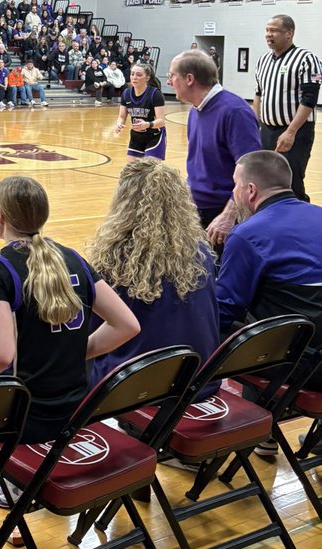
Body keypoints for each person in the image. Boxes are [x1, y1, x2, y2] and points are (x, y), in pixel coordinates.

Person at [0, 176, 139, 444]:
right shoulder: (73, 257)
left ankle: (7, 482)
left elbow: (1, 354)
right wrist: (76, 351)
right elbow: (127, 325)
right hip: (76, 410)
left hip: (24, 416)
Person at [88, 161, 219, 388]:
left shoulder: (115, 257)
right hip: (198, 380)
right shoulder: (201, 251)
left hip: (134, 386)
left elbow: (93, 332)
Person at [216, 151, 322, 379]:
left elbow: (224, 311)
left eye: (235, 185)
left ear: (251, 190)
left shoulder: (248, 234)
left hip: (295, 363)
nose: (233, 192)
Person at [167, 50, 260, 245]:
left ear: (189, 79)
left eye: (172, 76)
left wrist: (229, 215)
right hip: (196, 210)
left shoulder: (235, 111)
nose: (169, 82)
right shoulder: (195, 110)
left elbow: (252, 170)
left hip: (224, 215)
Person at [253, 14, 321, 202]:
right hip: (267, 130)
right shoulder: (263, 61)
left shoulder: (307, 59)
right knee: (265, 179)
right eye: (267, 30)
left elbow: (310, 99)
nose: (268, 34)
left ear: (289, 33)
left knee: (291, 182)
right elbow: (258, 94)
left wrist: (290, 132)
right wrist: (255, 124)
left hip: (295, 132)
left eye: (274, 30)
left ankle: (301, 223)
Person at [115, 62, 167, 159]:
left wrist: (147, 124)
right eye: (132, 74)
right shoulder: (126, 93)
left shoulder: (155, 94)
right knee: (131, 172)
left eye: (139, 75)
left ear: (147, 78)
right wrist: (119, 123)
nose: (134, 77)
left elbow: (161, 122)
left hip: (154, 136)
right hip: (136, 136)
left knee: (151, 171)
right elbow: (122, 117)